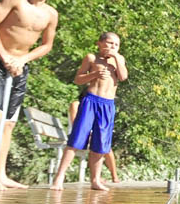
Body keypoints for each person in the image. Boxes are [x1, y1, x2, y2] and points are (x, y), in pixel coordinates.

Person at [0, 0, 59, 191]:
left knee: (10, 122)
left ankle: (1, 173)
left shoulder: (51, 14)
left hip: (20, 64)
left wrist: (22, 59)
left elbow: (46, 45)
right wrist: (5, 57)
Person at [51, 32, 128, 191]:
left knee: (100, 144)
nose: (112, 47)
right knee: (76, 139)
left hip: (107, 104)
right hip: (91, 101)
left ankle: (95, 180)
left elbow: (123, 77)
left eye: (116, 44)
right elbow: (78, 79)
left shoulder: (119, 59)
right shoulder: (92, 58)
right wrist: (94, 74)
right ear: (99, 43)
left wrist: (117, 59)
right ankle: (59, 178)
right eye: (109, 43)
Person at [68, 88, 120, 183]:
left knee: (105, 146)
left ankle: (113, 175)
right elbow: (76, 124)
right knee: (98, 143)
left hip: (92, 134)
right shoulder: (76, 105)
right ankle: (96, 177)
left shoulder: (97, 108)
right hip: (78, 134)